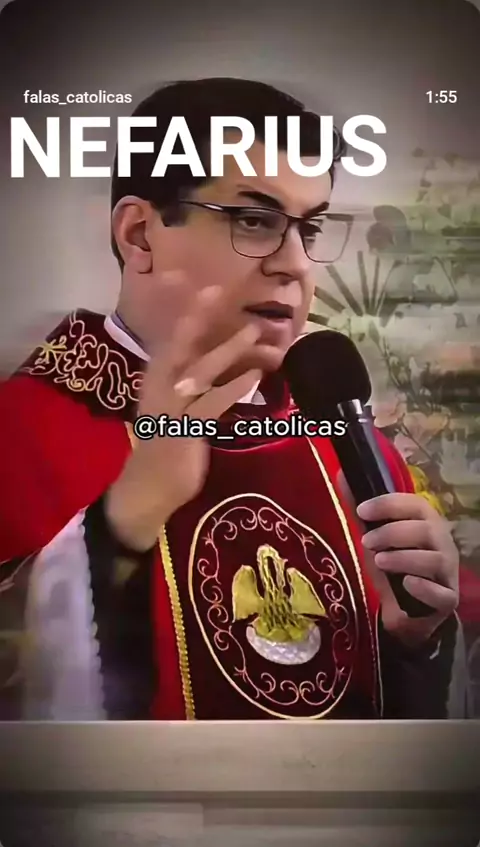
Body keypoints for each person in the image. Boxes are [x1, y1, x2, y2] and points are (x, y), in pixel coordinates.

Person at [0, 78, 471, 721]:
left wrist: (418, 642)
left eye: (309, 229)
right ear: (140, 234)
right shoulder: (19, 435)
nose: (295, 265)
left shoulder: (358, 456)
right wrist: (121, 525)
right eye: (254, 220)